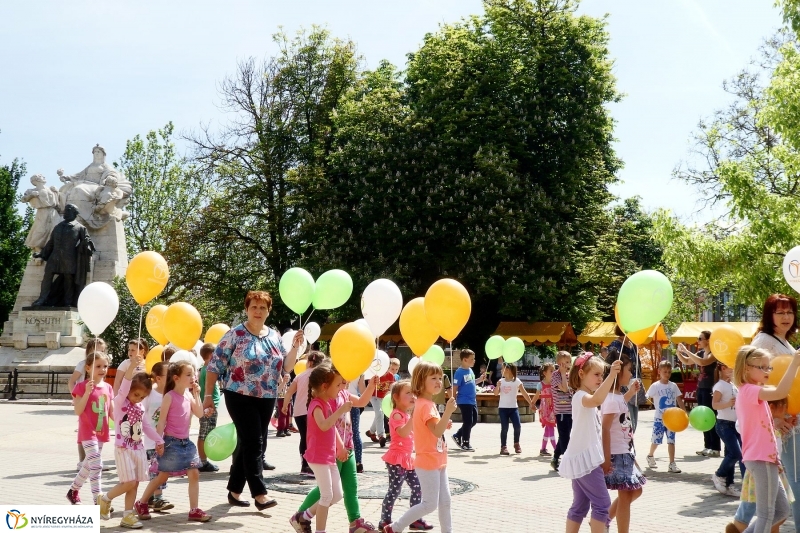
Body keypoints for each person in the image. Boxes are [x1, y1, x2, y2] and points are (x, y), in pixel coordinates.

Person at [204, 290, 304, 509]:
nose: (258, 311)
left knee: (252, 442)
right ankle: (259, 493)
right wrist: (207, 397)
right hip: (238, 394)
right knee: (254, 442)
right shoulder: (235, 334)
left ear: (268, 311)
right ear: (246, 309)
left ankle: (234, 490)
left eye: (262, 308)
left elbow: (286, 366)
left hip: (267, 395)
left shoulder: (275, 336)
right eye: (253, 307)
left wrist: (296, 346)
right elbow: (214, 366)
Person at [729, 293, 799, 533]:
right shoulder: (751, 390)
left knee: (779, 511)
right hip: (760, 455)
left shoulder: (757, 389)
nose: (786, 316)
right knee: (766, 513)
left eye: (789, 312)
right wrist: (795, 363)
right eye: (779, 312)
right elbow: (781, 389)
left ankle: (739, 525)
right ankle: (739, 523)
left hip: (770, 454)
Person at [292, 371, 379, 533]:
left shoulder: (343, 394)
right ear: (327, 385)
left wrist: (371, 386)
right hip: (332, 451)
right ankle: (301, 515)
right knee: (325, 492)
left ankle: (355, 522)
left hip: (347, 447)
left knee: (348, 488)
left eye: (343, 382)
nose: (344, 384)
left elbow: (361, 402)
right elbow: (327, 425)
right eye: (340, 382)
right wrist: (339, 447)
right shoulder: (327, 400)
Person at [384, 362, 457, 533]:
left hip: (437, 459)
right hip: (428, 461)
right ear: (420, 381)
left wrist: (443, 422)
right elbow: (437, 432)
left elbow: (432, 429)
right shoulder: (425, 405)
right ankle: (395, 527)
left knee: (445, 501)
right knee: (429, 504)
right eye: (433, 378)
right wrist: (447, 413)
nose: (439, 381)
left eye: (440, 377)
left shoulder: (426, 403)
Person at [135, 360, 211, 523]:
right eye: (188, 375)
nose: (193, 378)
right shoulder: (169, 396)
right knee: (162, 477)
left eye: (194, 374)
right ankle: (141, 503)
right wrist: (158, 441)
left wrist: (197, 394)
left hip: (186, 443)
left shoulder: (189, 394)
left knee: (194, 474)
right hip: (171, 443)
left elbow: (199, 413)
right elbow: (161, 421)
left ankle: (194, 510)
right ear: (176, 378)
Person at [97, 352, 163, 529]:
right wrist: (132, 367)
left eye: (142, 397)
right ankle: (105, 499)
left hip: (138, 448)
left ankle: (127, 516)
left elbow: (147, 426)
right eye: (136, 395)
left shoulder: (140, 407)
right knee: (129, 482)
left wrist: (158, 440)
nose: (138, 399)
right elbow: (125, 387)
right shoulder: (120, 402)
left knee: (134, 483)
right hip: (123, 448)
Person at [559, 352, 621, 533]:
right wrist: (611, 376)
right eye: (597, 374)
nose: (600, 379)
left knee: (580, 506)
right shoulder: (580, 396)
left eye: (602, 374)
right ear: (581, 374)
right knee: (602, 505)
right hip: (583, 461)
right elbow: (596, 399)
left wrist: (601, 459)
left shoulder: (583, 396)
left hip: (583, 459)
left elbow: (593, 434)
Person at [289, 362, 352, 533]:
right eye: (338, 385)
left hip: (328, 456)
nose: (341, 388)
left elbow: (331, 428)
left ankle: (303, 517)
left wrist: (340, 447)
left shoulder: (328, 403)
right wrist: (340, 412)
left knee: (337, 495)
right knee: (326, 496)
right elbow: (324, 425)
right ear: (325, 386)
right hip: (318, 457)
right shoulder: (316, 405)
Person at [379, 379, 433, 531]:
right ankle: (384, 520)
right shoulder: (396, 415)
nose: (412, 396)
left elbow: (415, 433)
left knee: (417, 487)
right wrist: (414, 416)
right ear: (396, 397)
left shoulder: (407, 415)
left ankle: (415, 519)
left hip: (408, 459)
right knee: (394, 490)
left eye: (413, 393)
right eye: (408, 393)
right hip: (397, 459)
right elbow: (402, 432)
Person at [601, 350, 645, 533]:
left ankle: (602, 521)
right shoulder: (610, 399)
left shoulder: (617, 396)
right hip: (617, 454)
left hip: (626, 452)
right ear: (619, 372)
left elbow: (620, 405)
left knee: (636, 490)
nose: (631, 373)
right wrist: (606, 458)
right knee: (626, 495)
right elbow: (604, 428)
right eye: (628, 369)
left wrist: (630, 393)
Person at [67, 350, 113, 506]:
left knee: (88, 465)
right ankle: (98, 501)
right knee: (96, 465)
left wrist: (124, 423)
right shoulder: (80, 387)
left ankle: (73, 490)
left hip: (102, 431)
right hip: (87, 432)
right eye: (98, 366)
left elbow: (112, 412)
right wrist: (87, 392)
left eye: (105, 366)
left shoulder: (108, 387)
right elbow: (78, 410)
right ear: (88, 368)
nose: (102, 370)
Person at [31, 203, 94, 307]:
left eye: (68, 210)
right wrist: (42, 254)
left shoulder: (80, 228)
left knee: (68, 279)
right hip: (54, 258)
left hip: (69, 259)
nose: (66, 212)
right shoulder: (58, 226)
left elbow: (88, 245)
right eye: (66, 210)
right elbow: (51, 243)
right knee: (47, 277)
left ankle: (68, 302)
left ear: (75, 213)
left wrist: (87, 244)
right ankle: (41, 299)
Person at [676, 330, 721, 457]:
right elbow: (686, 361)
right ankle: (707, 446)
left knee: (711, 417)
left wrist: (686, 350)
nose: (698, 341)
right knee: (703, 418)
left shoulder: (714, 353)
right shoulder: (700, 352)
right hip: (701, 388)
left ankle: (715, 448)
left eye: (700, 338)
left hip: (710, 389)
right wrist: (679, 353)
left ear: (708, 340)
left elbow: (702, 362)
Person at [284, 350, 327, 475]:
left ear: (308, 362)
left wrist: (285, 406)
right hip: (314, 411)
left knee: (304, 437)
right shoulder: (321, 376)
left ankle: (304, 465)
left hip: (299, 412)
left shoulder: (300, 376)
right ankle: (314, 464)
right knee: (314, 438)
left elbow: (289, 392)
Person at [68, 338, 107, 470]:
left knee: (96, 428)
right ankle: (82, 461)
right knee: (84, 430)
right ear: (90, 349)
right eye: (98, 349)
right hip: (84, 399)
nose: (101, 352)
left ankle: (93, 459)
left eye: (103, 350)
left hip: (95, 402)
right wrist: (75, 398)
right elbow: (71, 381)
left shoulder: (101, 365)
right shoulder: (83, 364)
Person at [142, 362, 173, 512]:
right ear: (159, 378)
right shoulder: (150, 394)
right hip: (150, 441)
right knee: (156, 470)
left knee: (162, 470)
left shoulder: (171, 394)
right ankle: (158, 498)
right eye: (169, 375)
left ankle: (150, 498)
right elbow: (141, 414)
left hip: (167, 440)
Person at [644, 361, 684, 473]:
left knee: (671, 441)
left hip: (672, 419)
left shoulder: (673, 386)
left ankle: (672, 463)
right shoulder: (655, 386)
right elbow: (647, 396)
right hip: (659, 418)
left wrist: (684, 413)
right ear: (659, 372)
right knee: (656, 440)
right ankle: (650, 455)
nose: (667, 374)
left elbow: (679, 399)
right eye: (665, 372)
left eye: (669, 372)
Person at [712, 362, 742, 497]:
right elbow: (714, 405)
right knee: (736, 453)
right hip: (724, 424)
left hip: (736, 425)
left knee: (732, 453)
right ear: (723, 369)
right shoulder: (719, 385)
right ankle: (719, 474)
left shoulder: (733, 386)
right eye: (730, 367)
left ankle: (729, 484)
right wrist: (728, 403)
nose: (733, 369)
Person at [493, 363, 536, 455]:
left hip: (513, 408)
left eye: (502, 369)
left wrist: (531, 403)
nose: (501, 371)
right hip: (503, 408)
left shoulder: (517, 381)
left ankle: (516, 443)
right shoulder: (501, 381)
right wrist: (497, 386)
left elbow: (524, 393)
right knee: (504, 428)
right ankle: (503, 447)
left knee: (517, 426)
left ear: (508, 370)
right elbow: (496, 393)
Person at [451, 349, 485, 452]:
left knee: (473, 421)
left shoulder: (470, 370)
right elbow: (455, 386)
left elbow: (471, 382)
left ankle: (458, 435)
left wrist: (480, 379)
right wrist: (453, 399)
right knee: (468, 421)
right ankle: (465, 443)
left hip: (472, 401)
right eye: (472, 359)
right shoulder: (459, 372)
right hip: (464, 400)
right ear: (465, 360)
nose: (474, 361)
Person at [608, 326, 642, 432]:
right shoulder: (615, 344)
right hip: (622, 386)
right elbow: (612, 363)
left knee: (634, 420)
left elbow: (638, 364)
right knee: (625, 418)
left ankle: (630, 440)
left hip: (633, 383)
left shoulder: (633, 345)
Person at [21, 174, 61, 253]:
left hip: (53, 211)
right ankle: (37, 248)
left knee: (56, 229)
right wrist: (31, 195)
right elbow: (23, 199)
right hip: (42, 211)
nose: (44, 177)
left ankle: (51, 248)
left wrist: (57, 192)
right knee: (41, 229)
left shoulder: (50, 189)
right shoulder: (31, 190)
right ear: (36, 180)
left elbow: (58, 202)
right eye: (42, 177)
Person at [197, 343, 220, 472]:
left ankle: (203, 460)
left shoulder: (204, 368)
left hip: (208, 407)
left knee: (205, 433)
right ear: (211, 355)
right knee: (204, 434)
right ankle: (203, 461)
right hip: (208, 408)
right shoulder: (208, 370)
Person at [552, 351, 574, 471]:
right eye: (564, 362)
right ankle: (566, 462)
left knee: (565, 435)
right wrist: (562, 373)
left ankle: (555, 457)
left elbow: (572, 390)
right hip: (561, 411)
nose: (567, 365)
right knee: (565, 437)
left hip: (571, 411)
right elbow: (565, 389)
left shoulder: (570, 375)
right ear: (558, 363)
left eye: (568, 362)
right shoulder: (555, 376)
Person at [368, 360, 398, 447]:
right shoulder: (376, 374)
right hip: (374, 396)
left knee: (379, 413)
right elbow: (369, 385)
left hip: (383, 397)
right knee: (380, 413)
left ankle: (371, 432)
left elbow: (392, 387)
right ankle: (381, 435)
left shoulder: (390, 375)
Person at [348, 375, 367, 473]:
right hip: (355, 401)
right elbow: (362, 389)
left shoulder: (338, 365)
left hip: (339, 400)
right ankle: (358, 463)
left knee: (340, 431)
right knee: (355, 432)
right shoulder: (359, 369)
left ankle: (344, 461)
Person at [539, 362, 557, 456]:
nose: (553, 373)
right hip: (546, 410)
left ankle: (543, 449)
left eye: (554, 370)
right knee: (550, 428)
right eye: (551, 371)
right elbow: (536, 396)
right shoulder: (541, 384)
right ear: (545, 373)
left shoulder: (554, 384)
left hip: (552, 409)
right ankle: (556, 449)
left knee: (548, 429)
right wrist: (532, 403)